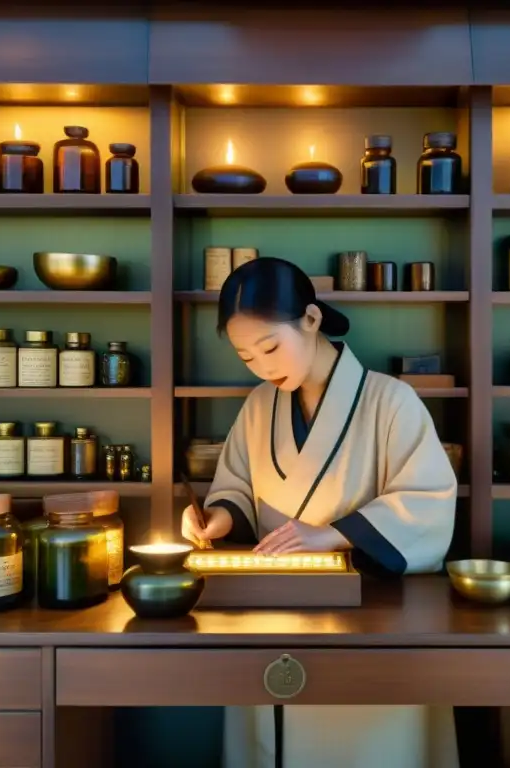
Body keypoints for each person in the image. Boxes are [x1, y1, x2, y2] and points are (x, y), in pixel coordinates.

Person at [181, 257, 459, 768]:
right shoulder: (259, 406)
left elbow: (428, 503)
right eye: (247, 357)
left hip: (369, 618)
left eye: (270, 347)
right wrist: (219, 519)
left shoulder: (390, 401)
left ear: (311, 320)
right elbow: (236, 487)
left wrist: (331, 535)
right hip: (267, 611)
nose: (264, 368)